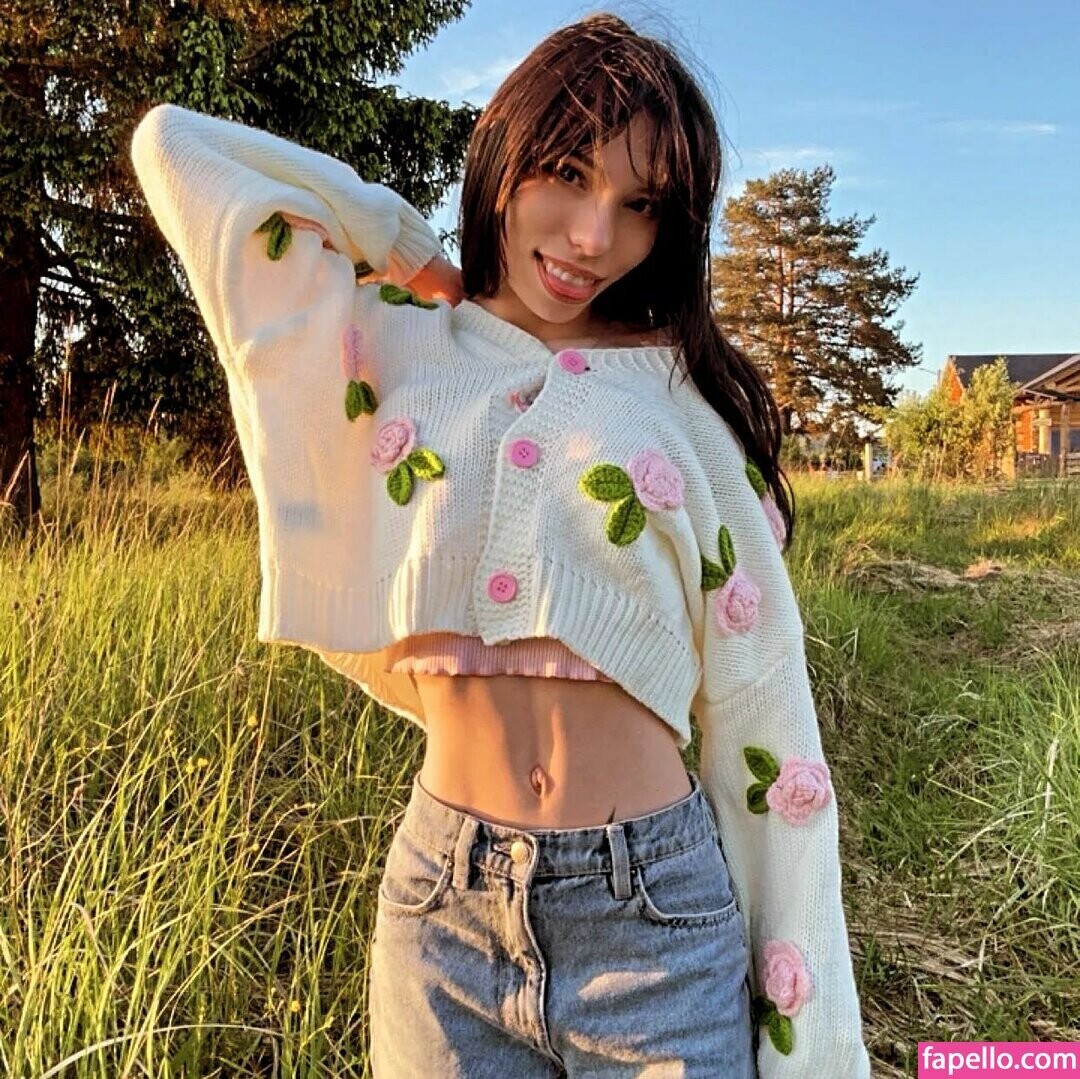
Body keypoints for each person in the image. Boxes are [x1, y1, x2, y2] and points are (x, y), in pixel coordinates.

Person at [131, 12, 869, 1077]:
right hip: (442, 914)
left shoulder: (683, 404)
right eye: (567, 173)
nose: (593, 236)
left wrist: (808, 1039)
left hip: (656, 920)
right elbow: (177, 147)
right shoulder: (401, 341)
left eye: (640, 204)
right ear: (504, 153)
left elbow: (766, 721)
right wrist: (407, 246)